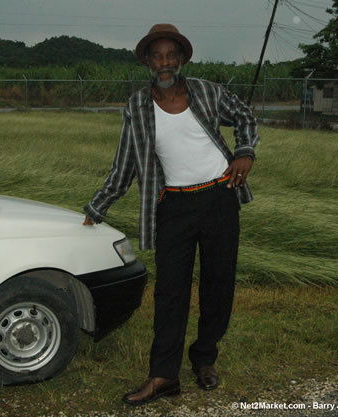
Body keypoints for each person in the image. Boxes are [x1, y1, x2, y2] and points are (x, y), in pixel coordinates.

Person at [83, 23, 259, 405]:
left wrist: (244, 151)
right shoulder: (137, 107)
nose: (164, 63)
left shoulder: (208, 93)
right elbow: (124, 164)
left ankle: (204, 359)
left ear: (180, 58)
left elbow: (245, 116)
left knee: (218, 285)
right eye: (156, 56)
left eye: (170, 55)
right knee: (169, 294)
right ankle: (164, 376)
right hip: (174, 207)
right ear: (148, 62)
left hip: (220, 198)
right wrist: (97, 208)